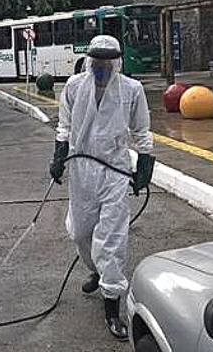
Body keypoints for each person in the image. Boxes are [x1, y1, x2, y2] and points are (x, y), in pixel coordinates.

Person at [49, 35, 155, 341]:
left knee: (111, 238)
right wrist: (59, 157)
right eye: (97, 63)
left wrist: (144, 166)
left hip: (115, 171)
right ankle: (96, 270)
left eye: (107, 64)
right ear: (89, 61)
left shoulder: (132, 90)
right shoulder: (73, 87)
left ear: (116, 63)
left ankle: (112, 306)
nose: (102, 70)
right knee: (81, 233)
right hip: (81, 170)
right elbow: (65, 127)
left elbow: (142, 130)